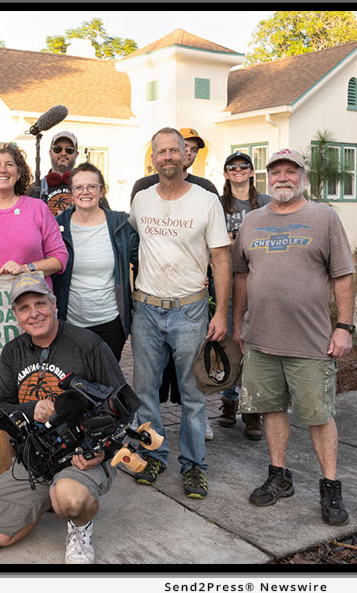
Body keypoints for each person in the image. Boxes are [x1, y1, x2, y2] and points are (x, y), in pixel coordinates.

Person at [231, 148, 355, 526]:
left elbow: (343, 275)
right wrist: (237, 321)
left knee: (319, 416)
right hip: (262, 339)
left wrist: (344, 326)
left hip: (312, 341)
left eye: (291, 171)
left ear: (303, 177)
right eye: (277, 172)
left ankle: (330, 487)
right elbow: (240, 276)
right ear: (267, 178)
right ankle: (279, 475)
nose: (283, 177)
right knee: (270, 409)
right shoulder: (252, 221)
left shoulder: (324, 217)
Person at [0, 273, 128, 564]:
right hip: (36, 459)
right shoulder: (13, 351)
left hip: (80, 455)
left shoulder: (88, 345)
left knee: (70, 500)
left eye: (40, 303)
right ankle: (46, 499)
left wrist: (102, 452)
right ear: (16, 315)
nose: (34, 313)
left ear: (54, 304)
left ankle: (79, 525)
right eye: (24, 308)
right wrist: (32, 409)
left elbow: (125, 407)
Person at [128, 127, 231, 499]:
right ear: (153, 158)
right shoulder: (141, 200)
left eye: (175, 150)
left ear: (185, 157)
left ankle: (194, 467)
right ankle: (153, 454)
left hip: (190, 310)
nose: (168, 156)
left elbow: (221, 256)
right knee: (145, 391)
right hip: (147, 310)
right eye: (162, 151)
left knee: (193, 394)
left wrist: (220, 313)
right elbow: (134, 244)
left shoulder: (206, 201)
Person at [51, 162, 138, 361]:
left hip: (111, 322)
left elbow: (144, 260)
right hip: (72, 323)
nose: (85, 192)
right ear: (71, 193)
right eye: (79, 187)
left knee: (106, 383)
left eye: (92, 186)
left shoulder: (121, 224)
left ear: (102, 191)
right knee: (76, 383)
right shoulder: (57, 227)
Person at [0, 142, 68, 292]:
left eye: (9, 164)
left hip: (33, 304)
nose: (2, 170)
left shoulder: (38, 208)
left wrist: (27, 268)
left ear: (19, 173)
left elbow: (59, 258)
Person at [217, 151, 270, 439]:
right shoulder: (219, 205)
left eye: (243, 166)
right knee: (230, 344)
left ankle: (252, 412)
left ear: (251, 172)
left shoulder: (265, 203)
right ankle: (228, 401)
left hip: (260, 283)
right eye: (232, 167)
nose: (238, 170)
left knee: (257, 348)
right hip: (228, 282)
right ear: (226, 174)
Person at [129, 127, 219, 201]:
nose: (188, 152)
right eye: (184, 147)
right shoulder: (144, 186)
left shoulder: (206, 187)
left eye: (194, 150)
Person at [29, 131, 80, 216]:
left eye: (69, 150)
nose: (63, 153)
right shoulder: (35, 188)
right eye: (57, 149)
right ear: (50, 153)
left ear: (76, 154)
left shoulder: (89, 188)